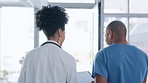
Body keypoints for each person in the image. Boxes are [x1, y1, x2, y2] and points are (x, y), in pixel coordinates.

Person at [18, 5, 78, 83]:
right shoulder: (68, 59)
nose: (64, 34)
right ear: (60, 32)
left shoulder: (30, 56)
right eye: (64, 32)